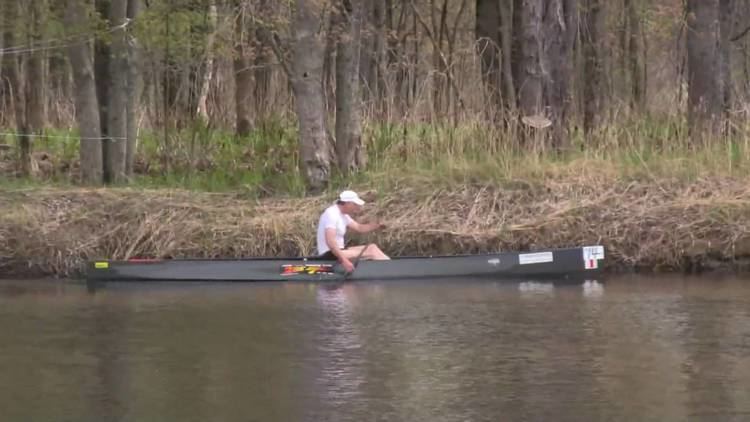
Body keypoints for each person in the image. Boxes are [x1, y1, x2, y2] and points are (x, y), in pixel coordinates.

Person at [316, 190, 390, 273]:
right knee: (371, 252)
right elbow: (330, 241)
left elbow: (359, 228)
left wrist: (377, 225)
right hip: (329, 254)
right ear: (347, 203)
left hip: (340, 251)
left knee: (372, 247)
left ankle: (390, 267)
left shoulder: (343, 215)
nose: (357, 207)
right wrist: (344, 261)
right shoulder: (331, 214)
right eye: (355, 204)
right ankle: (391, 270)